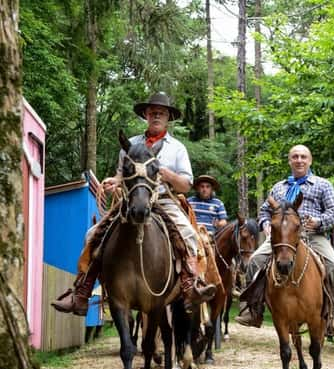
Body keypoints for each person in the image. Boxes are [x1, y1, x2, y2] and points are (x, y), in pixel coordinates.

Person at [52, 92, 216, 315]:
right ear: (146, 115)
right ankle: (82, 292)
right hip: (131, 201)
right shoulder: (130, 144)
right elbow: (122, 175)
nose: (156, 115)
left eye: (161, 113)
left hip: (164, 201)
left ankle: (190, 286)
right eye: (152, 112)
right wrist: (114, 181)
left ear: (168, 117)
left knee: (188, 234)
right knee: (93, 234)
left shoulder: (177, 148)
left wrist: (167, 175)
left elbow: (186, 184)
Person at [235, 144, 334, 333]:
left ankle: (333, 314)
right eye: (295, 157)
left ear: (310, 160)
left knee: (333, 265)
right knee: (255, 260)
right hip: (282, 238)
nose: (299, 160)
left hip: (311, 235)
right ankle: (253, 309)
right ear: (289, 161)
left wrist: (319, 222)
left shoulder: (322, 184)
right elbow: (264, 211)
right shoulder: (279, 188)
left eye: (303, 157)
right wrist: (265, 225)